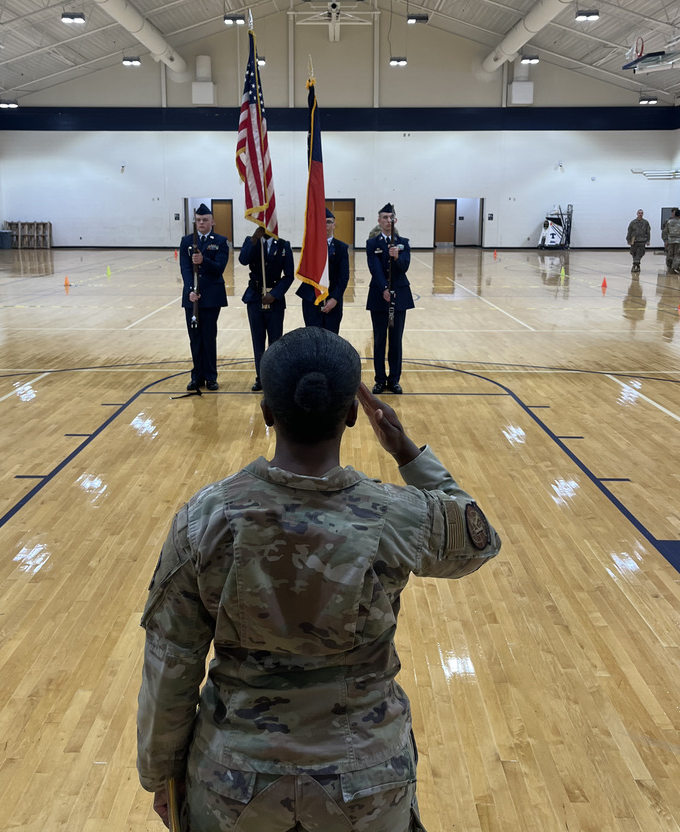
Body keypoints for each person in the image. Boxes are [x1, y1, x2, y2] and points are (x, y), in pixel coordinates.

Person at [136, 326, 501, 832]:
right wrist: (408, 454)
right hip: (367, 782)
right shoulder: (395, 514)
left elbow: (170, 663)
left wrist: (160, 777)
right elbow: (479, 540)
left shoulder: (206, 518)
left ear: (267, 413)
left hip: (235, 782)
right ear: (353, 415)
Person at [179, 204, 228, 392]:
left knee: (209, 337)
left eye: (205, 219)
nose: (201, 223)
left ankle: (211, 377)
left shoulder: (221, 241)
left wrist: (203, 261)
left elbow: (219, 267)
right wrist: (190, 290)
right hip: (191, 297)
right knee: (195, 338)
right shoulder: (186, 241)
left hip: (211, 296)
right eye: (198, 220)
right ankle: (197, 376)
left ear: (212, 222)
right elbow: (184, 268)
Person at [239, 224, 294, 391]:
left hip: (274, 299)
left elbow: (289, 276)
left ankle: (274, 378)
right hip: (255, 297)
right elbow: (243, 260)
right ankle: (261, 377)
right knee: (258, 340)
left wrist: (275, 294)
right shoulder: (253, 243)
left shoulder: (284, 245)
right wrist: (254, 239)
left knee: (275, 341)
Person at [366, 203, 413, 394]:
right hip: (379, 296)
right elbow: (374, 267)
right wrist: (384, 288)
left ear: (395, 220)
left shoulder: (403, 242)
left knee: (396, 340)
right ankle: (379, 379)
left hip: (400, 296)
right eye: (384, 217)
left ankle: (394, 379)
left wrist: (396, 258)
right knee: (379, 340)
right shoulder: (372, 243)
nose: (388, 220)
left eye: (390, 217)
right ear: (379, 220)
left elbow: (404, 267)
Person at [296, 208, 350, 333]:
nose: (325, 225)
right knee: (312, 337)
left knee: (332, 338)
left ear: (334, 224)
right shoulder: (309, 246)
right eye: (322, 222)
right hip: (312, 298)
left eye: (329, 222)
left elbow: (344, 277)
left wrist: (335, 298)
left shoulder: (341, 247)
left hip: (333, 301)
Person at [662, 208, 680, 274]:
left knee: (670, 255)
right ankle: (677, 266)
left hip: (670, 241)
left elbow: (665, 231)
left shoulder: (669, 222)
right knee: (678, 256)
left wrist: (666, 240)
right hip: (679, 241)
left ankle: (672, 269)